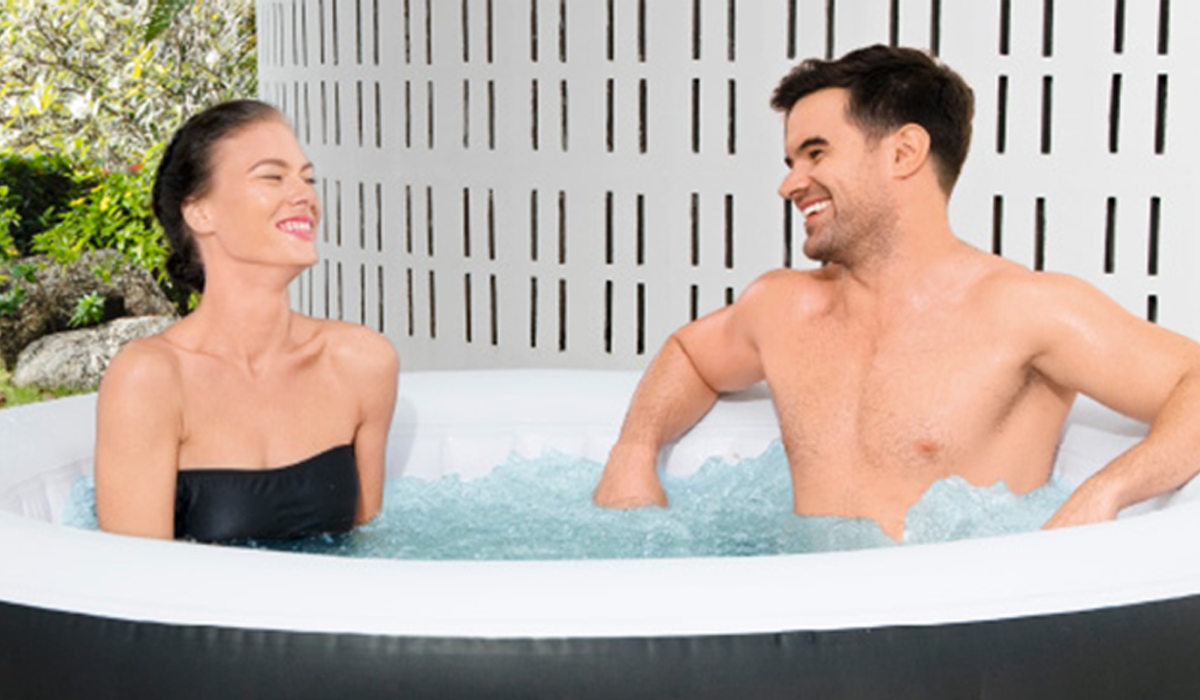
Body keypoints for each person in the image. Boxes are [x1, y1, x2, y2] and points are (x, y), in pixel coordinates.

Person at [592, 45, 1200, 540]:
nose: (789, 184)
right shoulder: (781, 307)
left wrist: (1106, 492)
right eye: (790, 159)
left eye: (815, 153)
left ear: (904, 152)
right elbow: (691, 355)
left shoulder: (1023, 310)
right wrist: (634, 451)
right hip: (800, 629)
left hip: (949, 645)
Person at [95, 100, 399, 543]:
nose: (304, 196)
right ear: (200, 212)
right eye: (272, 177)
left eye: (307, 178)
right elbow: (137, 588)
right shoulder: (151, 379)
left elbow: (367, 550)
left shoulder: (361, 363)